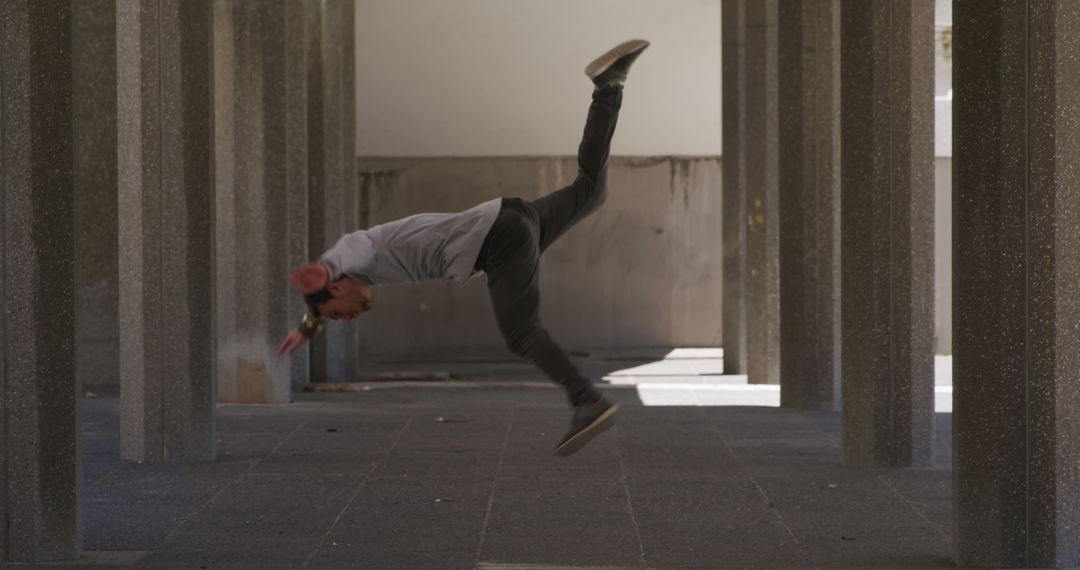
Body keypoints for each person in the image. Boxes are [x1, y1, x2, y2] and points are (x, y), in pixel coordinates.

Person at [278, 39, 650, 457]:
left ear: (337, 286)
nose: (346, 319)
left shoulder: (363, 252)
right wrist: (309, 323)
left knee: (522, 334)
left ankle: (587, 402)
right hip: (519, 219)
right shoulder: (359, 274)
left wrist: (325, 269)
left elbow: (348, 249)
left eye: (337, 313)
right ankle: (609, 86)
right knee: (591, 191)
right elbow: (325, 298)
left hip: (499, 240)